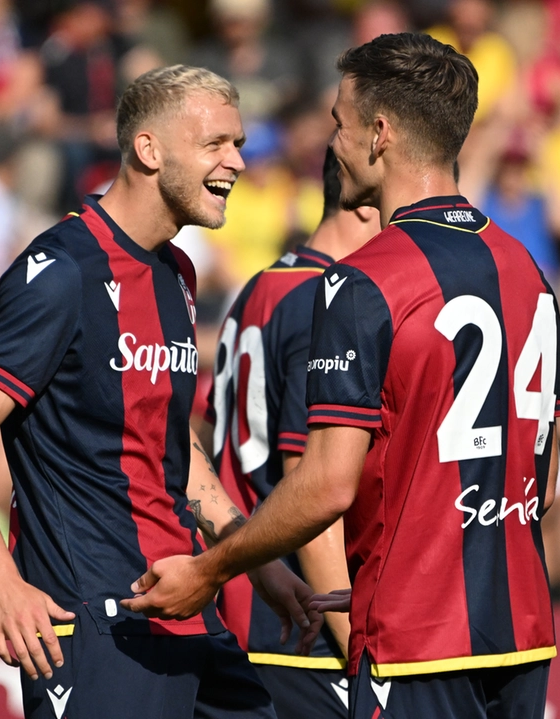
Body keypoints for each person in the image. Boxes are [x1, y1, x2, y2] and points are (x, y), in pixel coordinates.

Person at [122, 33, 560, 718]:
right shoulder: (527, 270)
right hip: (524, 635)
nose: (332, 141)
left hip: (414, 643)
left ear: (379, 134)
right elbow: (543, 476)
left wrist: (210, 569)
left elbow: (327, 482)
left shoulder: (363, 282)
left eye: (339, 121)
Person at [0, 64, 321, 719]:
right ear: (148, 149)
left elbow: (171, 444)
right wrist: (0, 581)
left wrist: (257, 560)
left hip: (184, 608)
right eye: (216, 144)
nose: (237, 162)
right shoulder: (59, 272)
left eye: (240, 145)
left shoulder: (177, 272)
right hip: (95, 623)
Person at [201, 148, 380, 719]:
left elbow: (204, 426)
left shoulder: (260, 286)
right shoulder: (323, 301)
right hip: (301, 620)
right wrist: (361, 650)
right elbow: (312, 485)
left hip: (245, 605)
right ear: (363, 205)